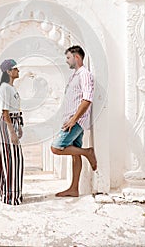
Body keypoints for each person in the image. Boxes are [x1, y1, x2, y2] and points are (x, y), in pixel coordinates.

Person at [51, 45, 97, 197]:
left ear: (77, 57)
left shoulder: (85, 74)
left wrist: (73, 120)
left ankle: (88, 152)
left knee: (56, 148)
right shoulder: (75, 76)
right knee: (74, 154)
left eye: (68, 58)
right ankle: (74, 189)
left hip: (76, 121)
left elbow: (87, 99)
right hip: (71, 120)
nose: (67, 61)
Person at [0, 58, 24, 205]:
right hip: (7, 124)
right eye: (15, 68)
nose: (18, 70)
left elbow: (15, 110)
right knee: (12, 159)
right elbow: (5, 112)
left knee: (14, 159)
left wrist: (19, 127)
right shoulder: (4, 88)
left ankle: (11, 194)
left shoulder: (11, 88)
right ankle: (10, 196)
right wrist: (12, 132)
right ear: (8, 71)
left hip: (14, 122)